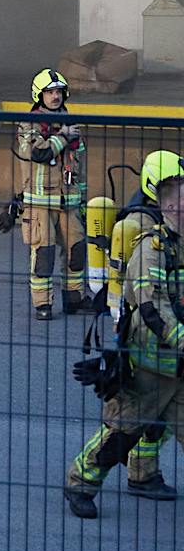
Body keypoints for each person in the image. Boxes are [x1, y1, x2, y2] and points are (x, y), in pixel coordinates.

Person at [64, 150, 184, 516]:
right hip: (150, 362)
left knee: (160, 427)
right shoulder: (151, 247)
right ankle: (80, 483)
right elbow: (152, 307)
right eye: (177, 196)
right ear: (165, 203)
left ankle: (143, 476)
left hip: (178, 364)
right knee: (122, 432)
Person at [14, 68, 86, 320]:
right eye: (50, 92)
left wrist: (83, 201)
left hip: (70, 203)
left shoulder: (70, 123)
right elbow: (39, 153)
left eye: (59, 92)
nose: (55, 97)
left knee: (76, 252)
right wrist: (63, 137)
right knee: (43, 256)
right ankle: (42, 305)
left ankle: (74, 299)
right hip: (40, 204)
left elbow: (80, 167)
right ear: (39, 95)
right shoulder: (29, 123)